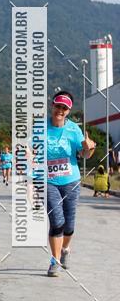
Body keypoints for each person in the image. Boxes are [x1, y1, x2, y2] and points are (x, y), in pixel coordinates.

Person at [46, 90, 95, 277]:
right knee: (56, 221)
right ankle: (55, 260)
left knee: (69, 224)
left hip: (71, 181)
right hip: (49, 181)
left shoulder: (74, 129)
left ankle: (65, 249)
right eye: (58, 106)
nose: (60, 110)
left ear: (68, 111)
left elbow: (83, 154)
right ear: (52, 106)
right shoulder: (40, 128)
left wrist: (89, 148)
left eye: (64, 108)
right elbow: (32, 152)